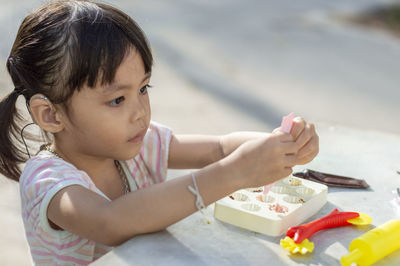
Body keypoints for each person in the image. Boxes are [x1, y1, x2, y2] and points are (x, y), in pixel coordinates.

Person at [0, 0, 319, 265]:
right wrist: (231, 174)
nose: (139, 111)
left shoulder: (141, 142)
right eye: (116, 99)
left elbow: (219, 149)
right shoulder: (47, 180)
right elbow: (109, 222)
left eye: (143, 88)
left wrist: (281, 143)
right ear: (51, 114)